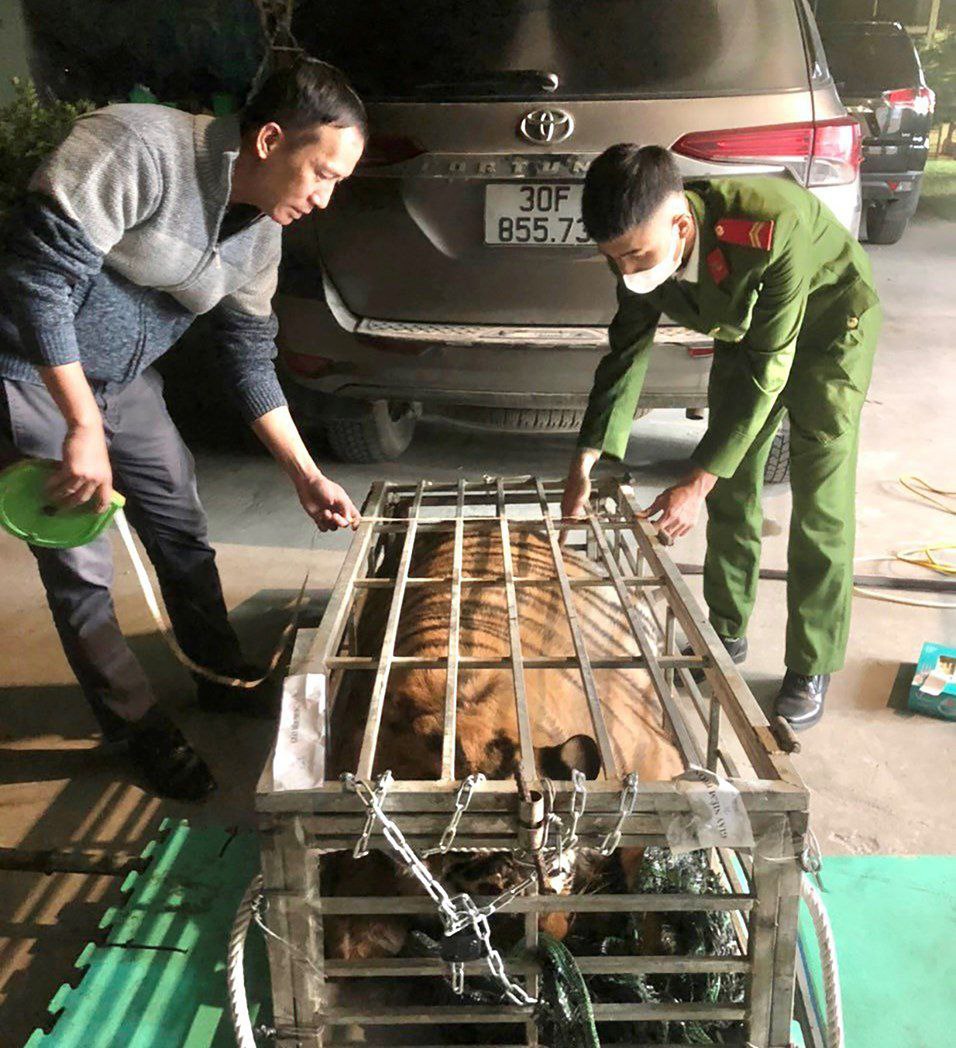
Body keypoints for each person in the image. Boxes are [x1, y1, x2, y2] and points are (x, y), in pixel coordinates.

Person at [0, 58, 367, 799]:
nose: (324, 198)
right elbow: (39, 282)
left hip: (124, 380)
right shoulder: (133, 147)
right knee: (81, 560)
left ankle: (224, 678)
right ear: (269, 140)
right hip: (28, 369)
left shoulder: (262, 235)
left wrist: (304, 472)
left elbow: (249, 359)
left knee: (178, 516)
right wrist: (80, 424)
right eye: (321, 173)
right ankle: (138, 729)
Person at [562, 145, 882, 731]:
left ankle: (811, 661)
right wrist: (589, 455)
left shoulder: (768, 225)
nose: (628, 272)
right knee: (733, 488)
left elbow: (771, 369)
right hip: (746, 331)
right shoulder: (635, 248)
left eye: (636, 255)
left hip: (831, 329)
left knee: (820, 501)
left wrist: (695, 481)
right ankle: (727, 633)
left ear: (681, 223)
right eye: (615, 259)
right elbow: (626, 351)